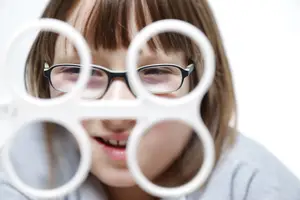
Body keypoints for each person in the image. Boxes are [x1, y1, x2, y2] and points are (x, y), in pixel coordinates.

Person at [1, 0, 300, 199]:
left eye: (154, 72)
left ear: (201, 82)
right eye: (79, 71)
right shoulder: (25, 165)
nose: (117, 113)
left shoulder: (256, 187)